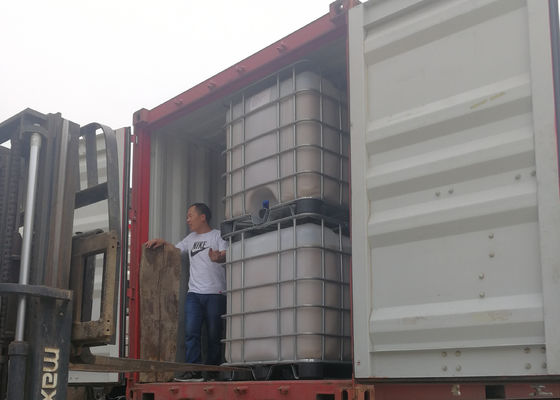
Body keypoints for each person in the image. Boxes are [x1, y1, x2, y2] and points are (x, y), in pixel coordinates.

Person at [145, 202, 227, 381]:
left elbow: (225, 254)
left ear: (202, 217)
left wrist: (219, 257)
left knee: (214, 335)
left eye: (190, 215)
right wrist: (163, 242)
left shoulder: (217, 235)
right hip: (194, 294)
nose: (187, 219)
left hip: (215, 293)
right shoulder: (190, 239)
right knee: (191, 333)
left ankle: (213, 373)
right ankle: (193, 371)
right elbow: (175, 250)